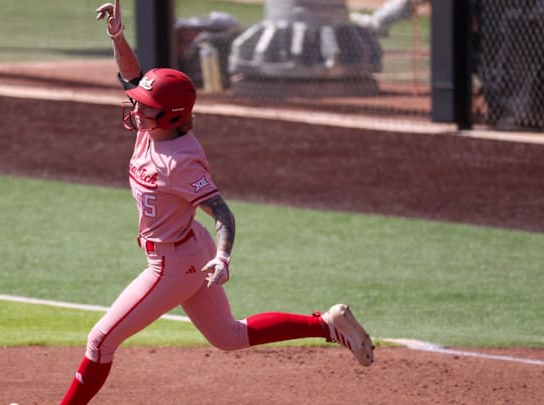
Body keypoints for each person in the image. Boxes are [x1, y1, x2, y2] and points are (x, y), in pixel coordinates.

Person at [58, 1, 374, 404]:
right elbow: (131, 75)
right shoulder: (151, 129)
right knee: (230, 336)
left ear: (170, 116)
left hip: (175, 264)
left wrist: (223, 258)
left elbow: (222, 212)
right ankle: (328, 325)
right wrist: (118, 37)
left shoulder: (180, 161)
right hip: (188, 249)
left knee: (100, 340)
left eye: (144, 106)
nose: (134, 108)